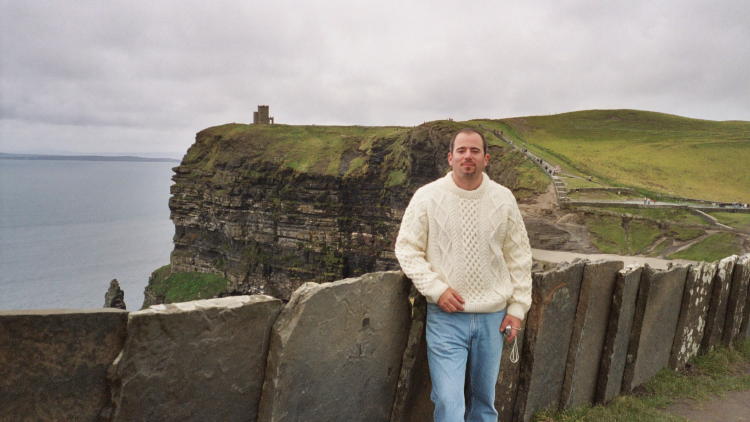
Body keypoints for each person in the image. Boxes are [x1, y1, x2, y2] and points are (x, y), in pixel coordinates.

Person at [395, 128, 532, 422]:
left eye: (474, 150)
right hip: (445, 317)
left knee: (484, 403)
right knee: (449, 401)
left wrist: (517, 309)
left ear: (486, 158)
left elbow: (519, 257)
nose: (467, 156)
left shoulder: (504, 198)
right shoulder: (427, 197)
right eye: (461, 150)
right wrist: (436, 289)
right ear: (450, 158)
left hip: (493, 318)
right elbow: (406, 249)